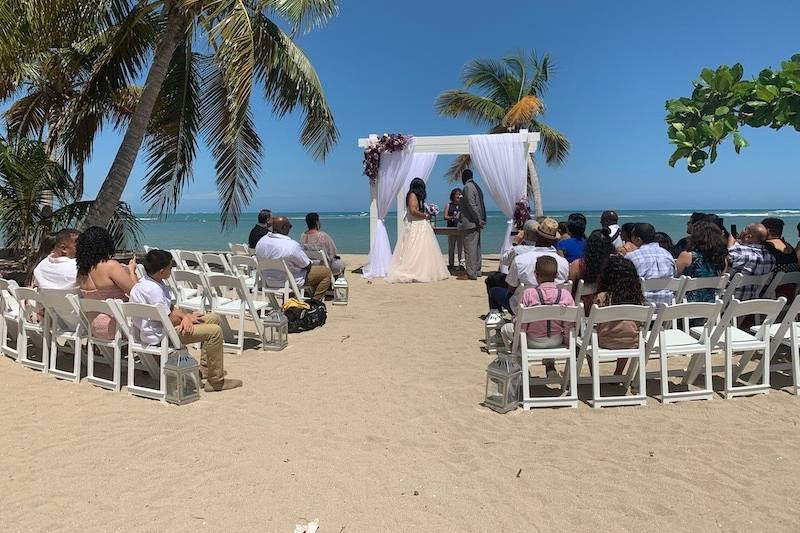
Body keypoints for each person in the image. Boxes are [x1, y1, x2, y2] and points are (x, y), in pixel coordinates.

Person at [130, 250, 242, 392]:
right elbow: (169, 318)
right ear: (162, 271)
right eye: (171, 267)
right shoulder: (154, 290)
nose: (172, 270)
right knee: (215, 332)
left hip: (162, 328)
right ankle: (216, 381)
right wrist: (184, 319)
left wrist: (185, 317)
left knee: (214, 318)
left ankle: (207, 368)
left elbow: (169, 307)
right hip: (163, 335)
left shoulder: (145, 283)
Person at [500, 256, 575, 377]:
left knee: (505, 330)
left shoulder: (529, 294)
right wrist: (566, 341)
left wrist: (516, 337)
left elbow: (521, 324)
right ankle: (550, 367)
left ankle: (521, 367)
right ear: (556, 275)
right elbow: (569, 324)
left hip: (532, 341)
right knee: (548, 325)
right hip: (557, 340)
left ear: (536, 274)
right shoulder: (565, 295)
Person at [488, 218, 568, 313]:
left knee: (494, 291)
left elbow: (511, 288)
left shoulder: (520, 260)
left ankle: (496, 316)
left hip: (523, 307)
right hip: (554, 309)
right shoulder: (564, 263)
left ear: (537, 235)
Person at [76, 226, 138, 339]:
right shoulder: (110, 266)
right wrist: (132, 271)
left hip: (94, 327)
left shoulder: (81, 272)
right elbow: (136, 292)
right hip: (118, 326)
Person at [386, 178, 450, 283]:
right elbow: (412, 211)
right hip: (416, 225)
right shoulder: (412, 195)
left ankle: (424, 270)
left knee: (423, 249)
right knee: (413, 248)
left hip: (421, 225)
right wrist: (425, 215)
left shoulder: (417, 197)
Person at [593, 255, 648, 375]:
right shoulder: (638, 299)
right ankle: (618, 371)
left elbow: (594, 321)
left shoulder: (602, 297)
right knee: (627, 331)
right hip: (632, 342)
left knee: (588, 340)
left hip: (605, 341)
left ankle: (594, 376)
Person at [256, 216, 332, 298]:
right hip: (289, 281)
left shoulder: (261, 242)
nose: (290, 228)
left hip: (268, 280)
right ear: (284, 227)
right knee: (325, 272)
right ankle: (314, 303)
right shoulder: (291, 245)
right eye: (290, 226)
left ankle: (292, 301)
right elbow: (307, 265)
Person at [484, 219, 540, 309]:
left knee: (492, 279)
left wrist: (515, 243)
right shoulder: (551, 251)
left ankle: (495, 313)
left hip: (521, 298)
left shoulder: (518, 250)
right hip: (541, 293)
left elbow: (504, 260)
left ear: (526, 234)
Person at [676, 221, 728, 302]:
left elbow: (675, 279)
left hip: (687, 304)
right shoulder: (721, 259)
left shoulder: (687, 256)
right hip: (710, 305)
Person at [625, 223, 676, 304]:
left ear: (638, 239)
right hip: (666, 306)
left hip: (642, 306)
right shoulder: (667, 254)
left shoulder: (632, 257)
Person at [568, 228, 616, 311]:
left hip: (581, 307)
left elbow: (570, 288)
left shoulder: (577, 265)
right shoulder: (613, 263)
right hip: (604, 306)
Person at [728, 223, 776, 301]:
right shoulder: (771, 258)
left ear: (748, 237)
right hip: (751, 304)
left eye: (743, 230)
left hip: (729, 302)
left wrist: (730, 245)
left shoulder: (738, 251)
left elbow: (722, 269)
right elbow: (767, 281)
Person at [457, 169, 486, 280]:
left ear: (464, 177)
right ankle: (477, 270)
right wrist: (481, 219)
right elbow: (480, 204)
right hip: (476, 222)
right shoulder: (477, 187)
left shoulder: (468, 187)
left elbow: (471, 205)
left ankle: (471, 273)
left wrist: (478, 219)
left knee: (469, 249)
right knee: (477, 248)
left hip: (470, 222)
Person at [762, 217, 799, 302]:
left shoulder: (766, 247)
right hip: (789, 294)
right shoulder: (789, 247)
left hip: (772, 294)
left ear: (766, 230)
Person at [300, 212, 345, 277]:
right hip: (324, 265)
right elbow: (333, 253)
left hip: (310, 266)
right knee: (342, 265)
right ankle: (334, 283)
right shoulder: (322, 235)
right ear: (317, 222)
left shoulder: (303, 235)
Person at [444, 188, 464, 270]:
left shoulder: (463, 206)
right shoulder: (449, 205)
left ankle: (461, 264)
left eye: (460, 194)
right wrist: (451, 217)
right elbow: (445, 216)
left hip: (460, 228)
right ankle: (451, 264)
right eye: (457, 194)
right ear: (453, 195)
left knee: (461, 247)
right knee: (451, 247)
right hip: (451, 228)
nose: (458, 196)